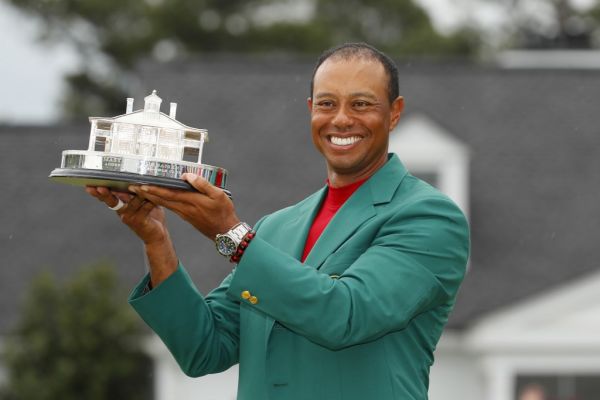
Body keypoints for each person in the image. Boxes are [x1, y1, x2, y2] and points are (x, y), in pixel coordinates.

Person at [86, 42, 470, 400]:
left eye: (361, 104)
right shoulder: (276, 228)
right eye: (327, 103)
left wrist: (230, 235)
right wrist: (157, 241)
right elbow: (204, 348)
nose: (341, 119)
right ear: (310, 110)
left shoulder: (430, 217)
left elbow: (346, 314)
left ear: (395, 112)